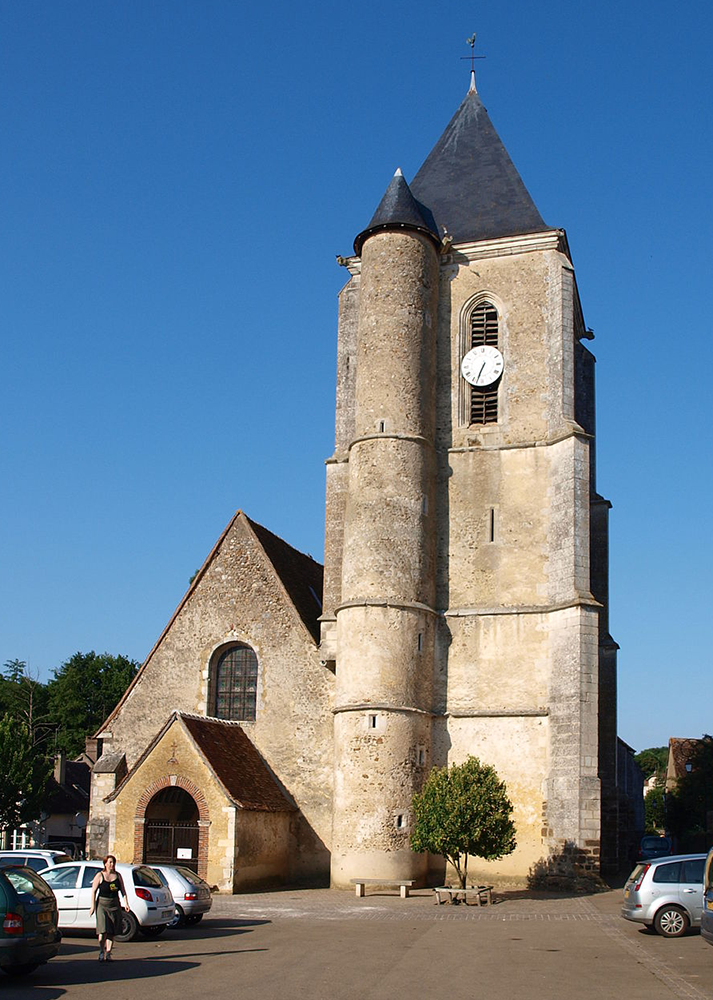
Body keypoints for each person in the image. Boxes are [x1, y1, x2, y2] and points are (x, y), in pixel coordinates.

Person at [89, 855, 130, 962]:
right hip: (102, 904)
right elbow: (93, 891)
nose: (112, 865)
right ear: (105, 864)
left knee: (111, 931)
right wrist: (93, 906)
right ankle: (101, 951)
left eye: (113, 863)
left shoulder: (118, 876)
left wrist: (126, 904)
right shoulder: (100, 875)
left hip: (114, 904)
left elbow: (123, 891)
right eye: (110, 862)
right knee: (103, 930)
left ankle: (108, 953)